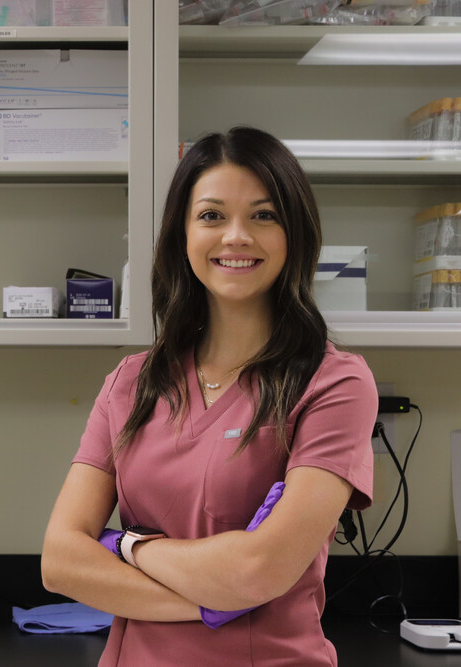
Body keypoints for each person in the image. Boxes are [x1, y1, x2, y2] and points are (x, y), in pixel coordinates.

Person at [41, 126, 377, 666]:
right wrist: (210, 602)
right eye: (212, 216)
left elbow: (257, 571)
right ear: (183, 235)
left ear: (296, 234)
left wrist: (128, 545)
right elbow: (60, 561)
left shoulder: (332, 384)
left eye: (264, 215)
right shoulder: (132, 382)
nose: (236, 236)